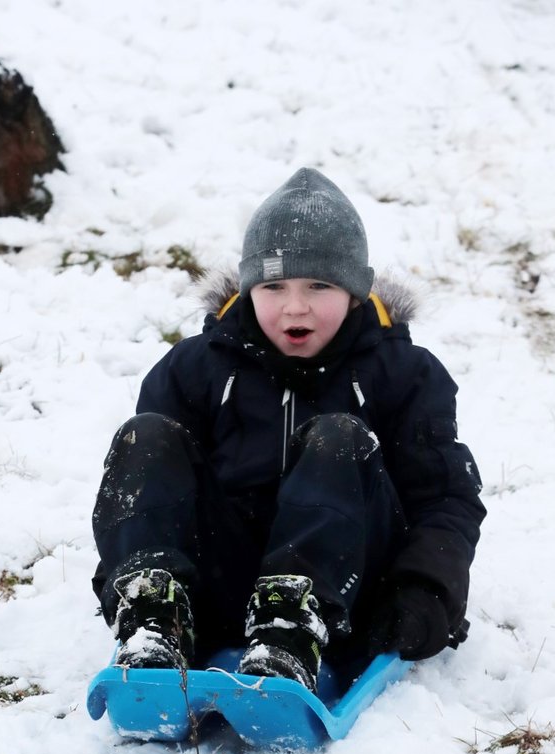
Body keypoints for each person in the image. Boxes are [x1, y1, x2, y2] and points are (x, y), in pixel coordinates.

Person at [91, 167, 485, 691]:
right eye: (274, 286)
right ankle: (156, 620)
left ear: (355, 290)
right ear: (250, 287)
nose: (295, 306)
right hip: (221, 581)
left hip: (344, 592)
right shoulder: (195, 369)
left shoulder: (405, 374)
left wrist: (427, 590)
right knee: (146, 436)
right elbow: (149, 494)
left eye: (319, 285)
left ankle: (290, 628)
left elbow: (445, 498)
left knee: (337, 438)